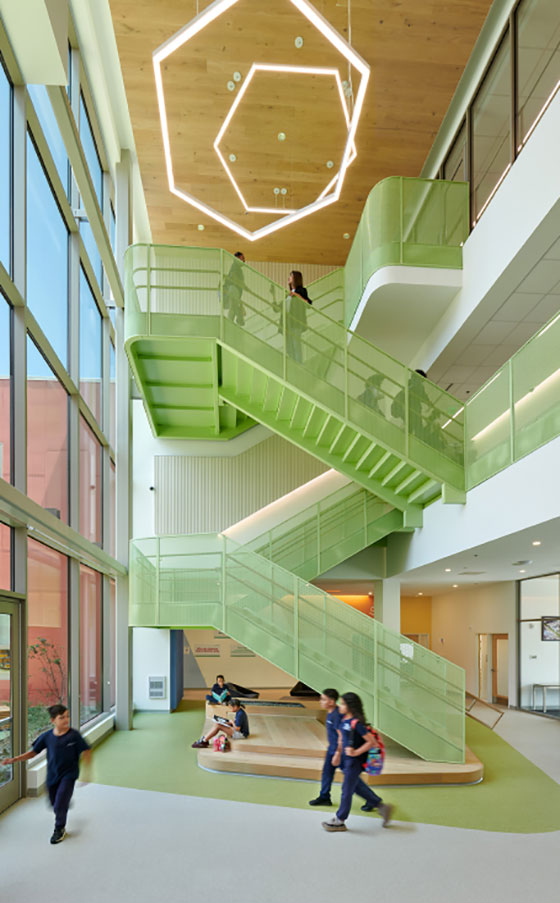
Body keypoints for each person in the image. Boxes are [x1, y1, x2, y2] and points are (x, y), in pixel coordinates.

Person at [1, 703, 91, 844]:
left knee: (60, 804)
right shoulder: (47, 737)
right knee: (54, 803)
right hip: (52, 775)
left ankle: (59, 829)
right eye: (62, 718)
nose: (66, 720)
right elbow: (32, 753)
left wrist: (87, 772)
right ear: (53, 720)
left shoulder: (74, 736)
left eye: (67, 717)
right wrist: (14, 759)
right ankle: (63, 804)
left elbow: (87, 751)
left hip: (69, 775)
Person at [322, 692, 392, 832]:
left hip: (355, 762)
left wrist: (356, 752)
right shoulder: (344, 721)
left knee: (346, 790)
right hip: (347, 760)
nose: (340, 706)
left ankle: (340, 820)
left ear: (350, 706)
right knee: (356, 787)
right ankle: (381, 806)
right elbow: (342, 738)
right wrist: (338, 754)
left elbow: (371, 742)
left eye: (342, 704)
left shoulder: (356, 723)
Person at [309, 688, 341, 807]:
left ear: (332, 701)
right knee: (327, 773)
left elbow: (342, 736)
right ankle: (324, 797)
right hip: (332, 749)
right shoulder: (330, 713)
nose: (320, 701)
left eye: (323, 699)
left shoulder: (337, 715)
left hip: (339, 751)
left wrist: (338, 753)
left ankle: (373, 801)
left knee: (352, 780)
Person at [276, 270, 312, 363]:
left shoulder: (301, 291)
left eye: (291, 276)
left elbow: (308, 303)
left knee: (296, 344)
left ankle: (299, 365)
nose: (289, 278)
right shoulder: (288, 294)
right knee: (289, 347)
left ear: (296, 278)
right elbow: (278, 307)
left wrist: (296, 295)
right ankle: (293, 364)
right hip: (287, 323)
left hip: (296, 322)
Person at [222, 251, 246, 326]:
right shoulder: (235, 267)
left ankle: (234, 322)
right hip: (234, 289)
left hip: (234, 290)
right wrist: (245, 286)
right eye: (243, 258)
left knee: (234, 307)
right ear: (237, 258)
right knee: (233, 307)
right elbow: (235, 277)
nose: (244, 261)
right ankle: (231, 323)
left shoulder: (235, 267)